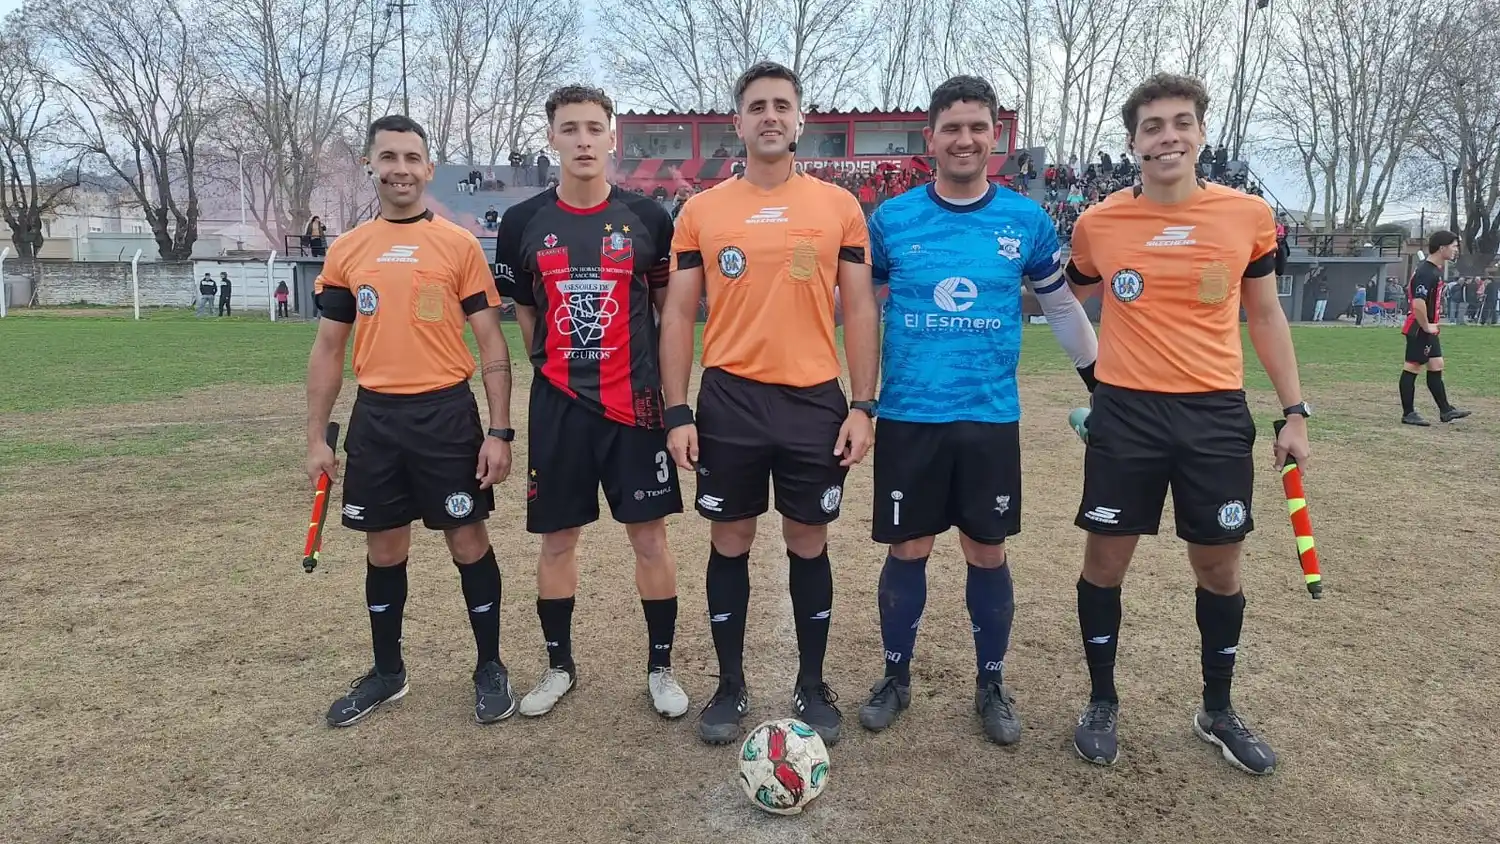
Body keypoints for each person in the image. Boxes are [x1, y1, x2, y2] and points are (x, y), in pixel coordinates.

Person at [1063, 74, 1310, 776]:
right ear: (1133, 141)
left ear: (1201, 132)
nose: (1166, 136)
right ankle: (1103, 700)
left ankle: (1218, 708)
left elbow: (1264, 314)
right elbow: (1067, 295)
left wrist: (1294, 413)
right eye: (1151, 126)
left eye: (1180, 122)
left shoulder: (1247, 216)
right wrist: (1094, 379)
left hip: (1213, 413)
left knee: (1219, 566)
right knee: (1106, 562)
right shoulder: (1098, 223)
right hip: (1127, 414)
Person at [855, 76, 1100, 745]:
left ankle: (990, 683)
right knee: (909, 546)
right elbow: (860, 316)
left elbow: (1059, 307)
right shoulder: (892, 221)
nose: (965, 139)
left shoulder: (1024, 220)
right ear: (930, 137)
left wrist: (1100, 387)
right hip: (909, 415)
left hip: (989, 417)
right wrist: (857, 400)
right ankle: (895, 676)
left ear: (996, 137)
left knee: (986, 552)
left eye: (978, 127)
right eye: (952, 127)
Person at [660, 61, 878, 747]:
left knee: (806, 540)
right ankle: (730, 686)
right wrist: (678, 412)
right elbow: (677, 317)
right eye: (757, 106)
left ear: (801, 118)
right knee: (731, 539)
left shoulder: (838, 207)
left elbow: (861, 309)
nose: (770, 116)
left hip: (814, 399)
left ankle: (812, 684)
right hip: (730, 400)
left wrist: (863, 404)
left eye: (782, 104)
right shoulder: (701, 211)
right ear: (739, 121)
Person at [308, 115, 517, 728]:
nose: (401, 168)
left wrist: (499, 431)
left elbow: (492, 347)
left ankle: (489, 666)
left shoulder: (457, 246)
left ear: (429, 167)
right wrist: (316, 436)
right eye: (389, 157)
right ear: (372, 166)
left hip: (446, 416)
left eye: (412, 157)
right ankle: (388, 672)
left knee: (468, 539)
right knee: (384, 547)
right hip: (378, 417)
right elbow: (327, 349)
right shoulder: (347, 250)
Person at [493, 85, 690, 721]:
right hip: (558, 409)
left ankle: (660, 669)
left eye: (594, 128)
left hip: (635, 409)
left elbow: (668, 315)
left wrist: (669, 400)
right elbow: (526, 318)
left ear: (612, 138)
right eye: (569, 128)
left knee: (651, 540)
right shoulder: (523, 224)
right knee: (556, 542)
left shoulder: (649, 220)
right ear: (551, 136)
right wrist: (556, 371)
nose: (582, 139)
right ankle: (559, 666)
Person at [1399, 232, 1472, 426]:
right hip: (1419, 327)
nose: (1456, 249)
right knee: (1413, 366)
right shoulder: (1426, 271)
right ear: (1442, 247)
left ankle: (1446, 410)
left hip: (1429, 328)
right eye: (1454, 246)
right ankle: (1408, 413)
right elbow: (1418, 303)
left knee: (1436, 365)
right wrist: (1426, 326)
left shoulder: (1434, 270)